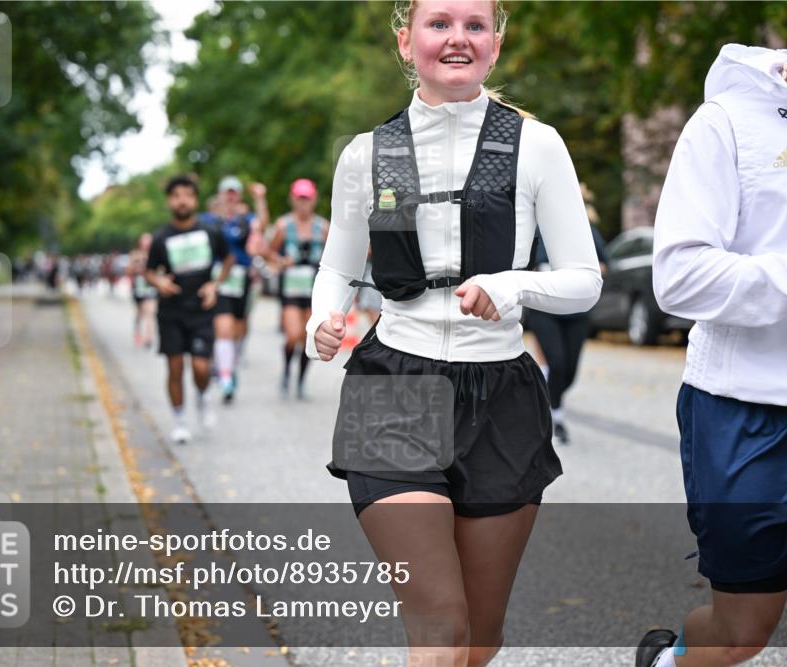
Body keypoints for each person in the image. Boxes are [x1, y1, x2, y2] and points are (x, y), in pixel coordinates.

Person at [306, 2, 603, 664]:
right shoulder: (365, 155)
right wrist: (319, 319)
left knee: (479, 638)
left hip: (501, 394)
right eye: (439, 23)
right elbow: (338, 268)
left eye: (475, 26)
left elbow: (585, 280)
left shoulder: (537, 145)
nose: (457, 39)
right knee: (440, 631)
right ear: (406, 40)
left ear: (496, 43)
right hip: (394, 386)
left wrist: (513, 287)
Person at [636, 3, 787, 666]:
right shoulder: (726, 124)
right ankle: (669, 660)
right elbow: (679, 280)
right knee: (740, 632)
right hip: (743, 419)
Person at [145, 175, 234, 444]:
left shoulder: (210, 231)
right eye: (176, 196)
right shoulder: (160, 237)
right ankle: (180, 420)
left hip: (201, 309)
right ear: (169, 202)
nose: (181, 201)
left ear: (195, 200)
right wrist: (159, 282)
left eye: (187, 195)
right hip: (171, 312)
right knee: (174, 368)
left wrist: (215, 285)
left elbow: (228, 258)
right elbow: (148, 271)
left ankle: (203, 397)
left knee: (200, 367)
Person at [527, 199, 609, 444]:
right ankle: (555, 417)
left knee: (569, 372)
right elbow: (520, 266)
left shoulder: (586, 230)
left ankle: (545, 404)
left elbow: (604, 264)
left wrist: (589, 271)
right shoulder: (536, 231)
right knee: (557, 363)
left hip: (577, 311)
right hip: (544, 309)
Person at [206, 175, 269, 404]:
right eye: (227, 192)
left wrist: (260, 199)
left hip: (241, 280)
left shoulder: (245, 220)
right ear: (221, 194)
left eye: (234, 193)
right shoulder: (209, 220)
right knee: (223, 327)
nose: (230, 197)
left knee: (236, 332)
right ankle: (225, 379)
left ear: (239, 196)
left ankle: (227, 367)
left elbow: (262, 225)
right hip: (218, 280)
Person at [268, 178, 330, 399]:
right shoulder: (284, 226)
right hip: (291, 290)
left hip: (314, 291)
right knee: (293, 335)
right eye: (299, 198)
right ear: (292, 199)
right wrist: (280, 261)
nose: (303, 203)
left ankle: (301, 381)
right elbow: (269, 253)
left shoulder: (323, 227)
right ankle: (286, 371)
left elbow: (334, 259)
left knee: (308, 338)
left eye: (307, 198)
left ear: (314, 200)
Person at [128, 233, 157, 349]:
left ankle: (148, 337)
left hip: (151, 287)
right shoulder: (135, 254)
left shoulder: (155, 254)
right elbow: (128, 271)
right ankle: (138, 332)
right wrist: (137, 266)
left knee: (150, 312)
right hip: (138, 288)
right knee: (140, 313)